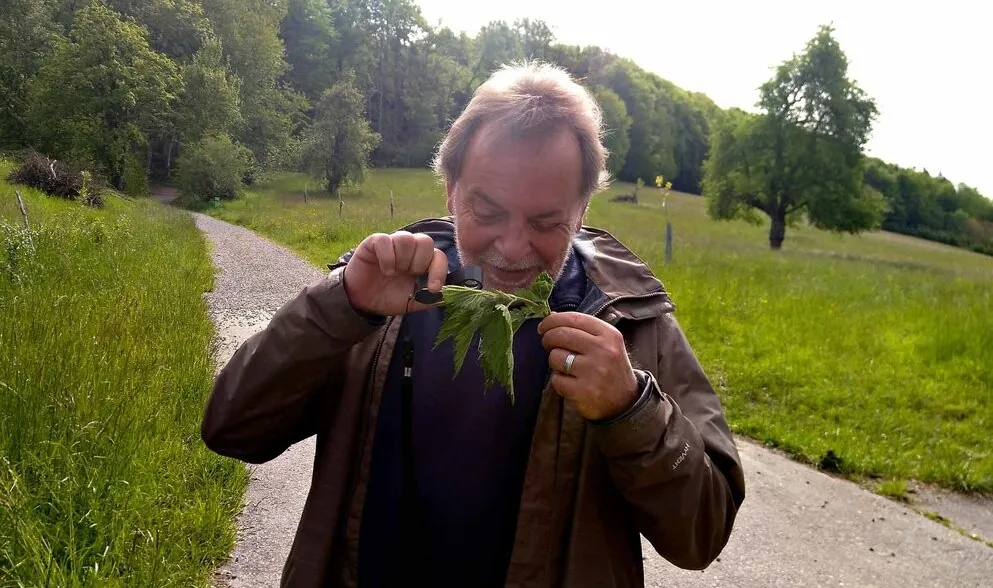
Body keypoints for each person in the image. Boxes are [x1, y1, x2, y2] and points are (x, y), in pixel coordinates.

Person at [201, 61, 745, 588]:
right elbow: (232, 427)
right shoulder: (383, 291)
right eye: (486, 212)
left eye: (546, 222)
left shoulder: (630, 322)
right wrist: (342, 304)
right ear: (450, 191)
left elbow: (701, 535)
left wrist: (631, 410)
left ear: (580, 213)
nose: (512, 247)